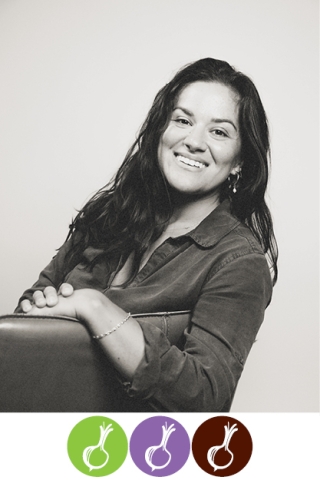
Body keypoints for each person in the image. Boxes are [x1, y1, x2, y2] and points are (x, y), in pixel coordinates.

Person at [15, 58, 278, 412]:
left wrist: (95, 307)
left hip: (131, 453)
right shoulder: (110, 213)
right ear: (161, 131)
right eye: (183, 120)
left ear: (240, 160)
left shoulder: (239, 261)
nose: (193, 141)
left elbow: (205, 397)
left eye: (219, 131)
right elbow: (23, 322)